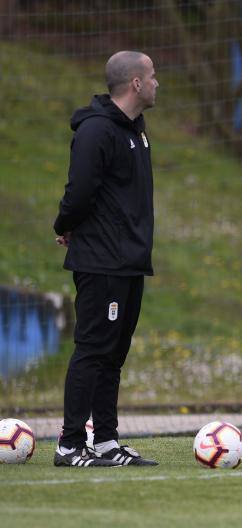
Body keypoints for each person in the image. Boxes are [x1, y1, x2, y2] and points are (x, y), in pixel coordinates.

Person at [53, 51, 159, 467]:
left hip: (130, 261)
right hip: (102, 261)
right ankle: (70, 443)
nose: (157, 83)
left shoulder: (136, 129)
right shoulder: (97, 131)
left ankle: (106, 441)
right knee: (93, 350)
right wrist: (65, 223)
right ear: (135, 83)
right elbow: (78, 191)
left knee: (114, 354)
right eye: (152, 76)